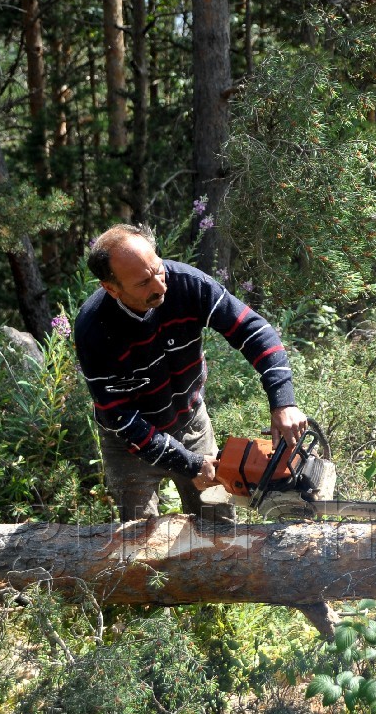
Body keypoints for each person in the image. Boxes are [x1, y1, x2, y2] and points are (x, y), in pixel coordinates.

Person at [74, 224, 308, 522]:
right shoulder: (94, 329)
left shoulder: (186, 283)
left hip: (190, 420)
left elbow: (255, 331)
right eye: (143, 283)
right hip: (129, 444)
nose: (159, 286)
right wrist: (190, 464)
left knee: (218, 528)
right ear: (112, 288)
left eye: (157, 270)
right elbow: (120, 418)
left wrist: (283, 401)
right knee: (139, 539)